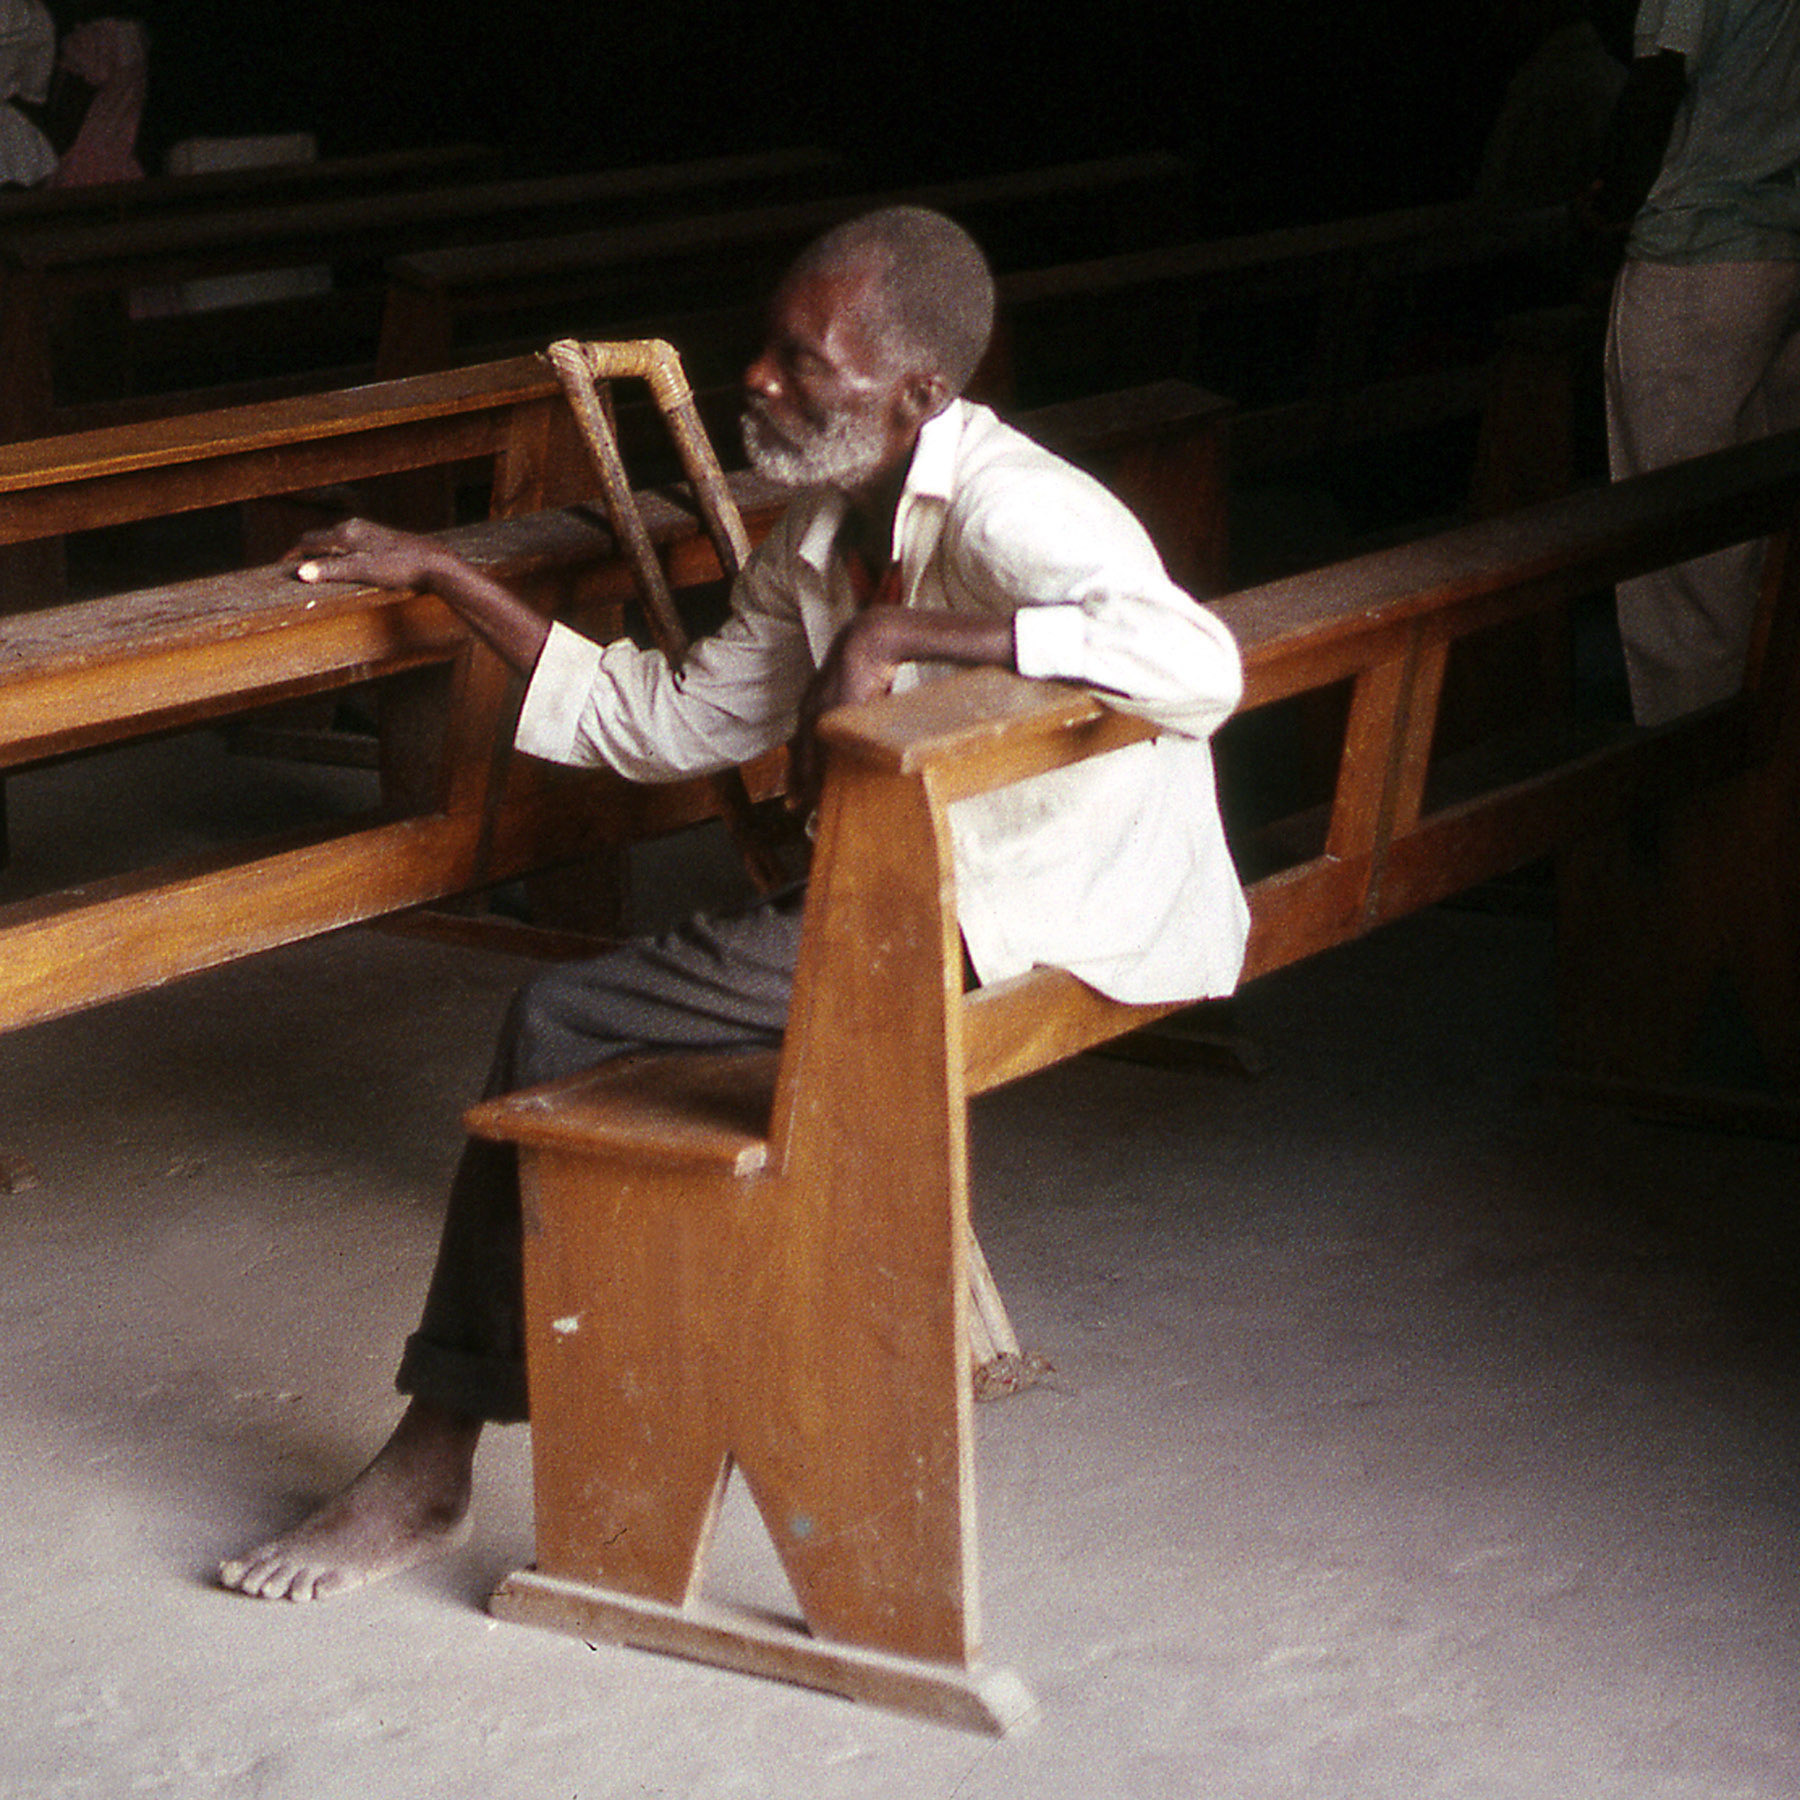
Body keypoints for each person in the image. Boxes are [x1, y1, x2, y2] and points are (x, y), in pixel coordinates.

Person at [218, 206, 1250, 1604]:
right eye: (766, 344)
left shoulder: (1019, 506)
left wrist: (898, 635)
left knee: (560, 1017)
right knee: (597, 1038)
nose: (755, 378)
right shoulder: (825, 530)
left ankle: (429, 1463)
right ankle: (515, 1429)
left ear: (919, 393)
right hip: (922, 899)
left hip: (1036, 910)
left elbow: (1198, 662)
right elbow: (668, 719)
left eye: (800, 358)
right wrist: (453, 574)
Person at [1586, 0, 1800, 725]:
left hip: (1697, 256)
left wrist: (1607, 200)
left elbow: (1659, 78)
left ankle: (1692, 796)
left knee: (1679, 562)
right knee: (1760, 542)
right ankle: (1756, 786)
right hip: (1783, 252)